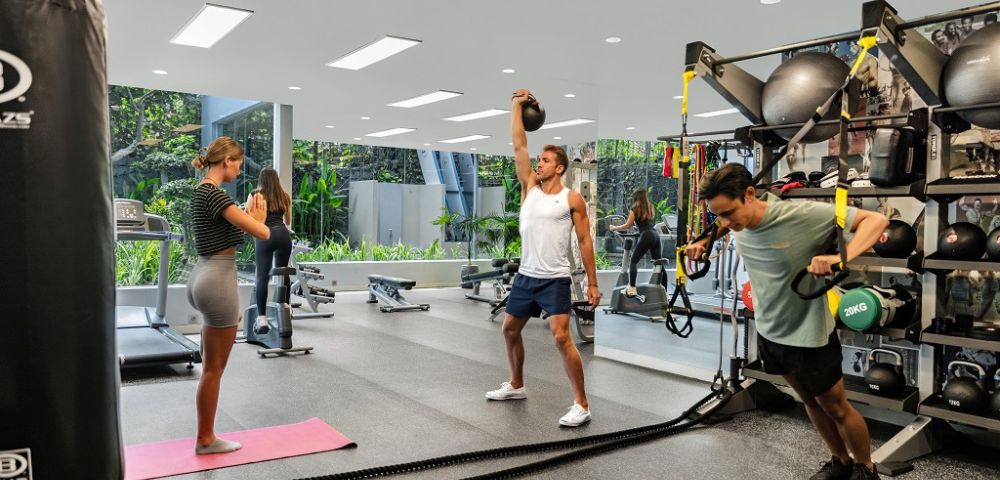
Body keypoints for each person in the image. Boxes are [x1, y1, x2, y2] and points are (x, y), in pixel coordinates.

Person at [686, 163, 888, 480]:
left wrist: (840, 258)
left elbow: (876, 220)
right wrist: (707, 240)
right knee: (807, 399)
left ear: (750, 195)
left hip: (808, 334)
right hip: (770, 331)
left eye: (728, 213)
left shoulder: (801, 216)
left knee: (836, 407)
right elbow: (726, 223)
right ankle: (840, 461)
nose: (724, 222)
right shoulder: (736, 222)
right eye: (717, 216)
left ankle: (865, 467)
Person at [485, 88, 601, 427]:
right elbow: (519, 145)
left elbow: (584, 239)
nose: (539, 163)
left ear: (560, 167)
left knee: (562, 338)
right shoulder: (529, 189)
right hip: (526, 276)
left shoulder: (571, 198)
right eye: (540, 160)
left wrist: (592, 283)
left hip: (554, 278)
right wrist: (516, 106)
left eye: (546, 160)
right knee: (509, 330)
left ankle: (581, 404)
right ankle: (517, 384)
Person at [186, 136, 271, 454]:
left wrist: (247, 216)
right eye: (238, 162)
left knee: (209, 366)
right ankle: (206, 439)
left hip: (202, 274)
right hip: (218, 279)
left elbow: (232, 233)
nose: (239, 168)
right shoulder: (216, 195)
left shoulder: (201, 193)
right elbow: (261, 233)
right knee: (213, 369)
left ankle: (205, 436)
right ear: (226, 161)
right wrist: (257, 219)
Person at [250, 167, 293, 334]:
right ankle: (286, 309)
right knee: (283, 273)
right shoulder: (285, 196)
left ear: (261, 179)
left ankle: (262, 319)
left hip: (265, 235)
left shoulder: (255, 195)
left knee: (262, 276)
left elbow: (249, 218)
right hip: (283, 236)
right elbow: (287, 221)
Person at [609, 189, 662, 297]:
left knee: (633, 261)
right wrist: (638, 227)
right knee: (659, 264)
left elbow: (627, 226)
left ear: (636, 197)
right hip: (655, 235)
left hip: (646, 235)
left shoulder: (635, 208)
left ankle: (632, 288)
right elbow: (646, 223)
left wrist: (614, 227)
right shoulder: (650, 207)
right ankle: (663, 291)